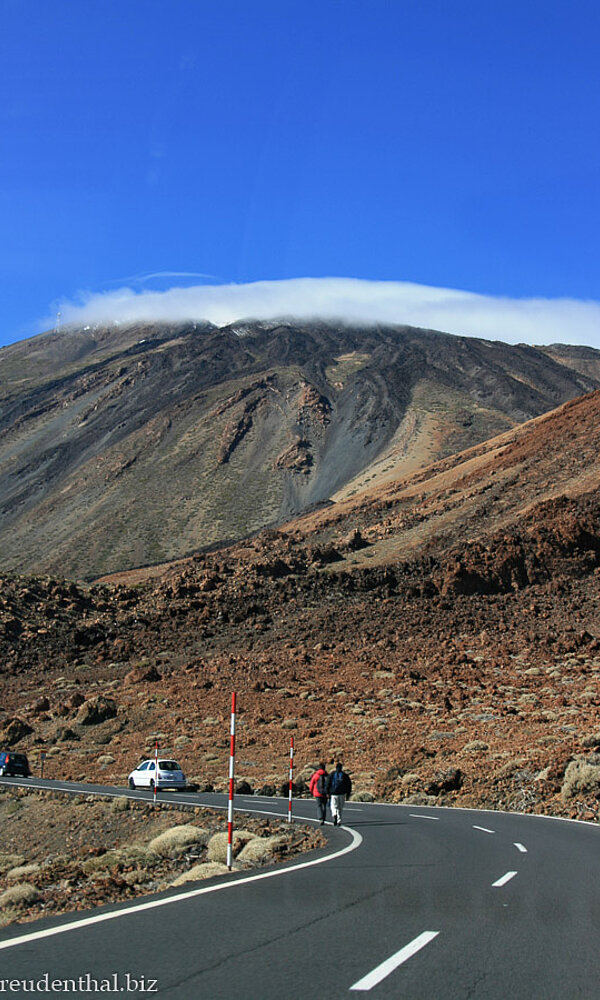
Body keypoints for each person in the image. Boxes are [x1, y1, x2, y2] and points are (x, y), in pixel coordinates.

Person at [326, 762, 352, 826]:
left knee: (333, 806)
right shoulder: (344, 775)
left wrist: (327, 792)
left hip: (334, 793)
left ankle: (334, 814)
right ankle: (339, 820)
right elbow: (349, 785)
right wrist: (348, 794)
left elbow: (327, 783)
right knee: (340, 807)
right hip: (342, 794)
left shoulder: (332, 774)